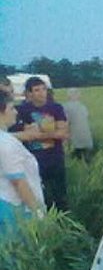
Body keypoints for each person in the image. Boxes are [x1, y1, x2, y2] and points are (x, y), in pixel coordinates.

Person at [11, 77, 69, 210]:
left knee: (60, 195)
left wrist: (36, 135)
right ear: (29, 93)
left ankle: (63, 218)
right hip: (33, 160)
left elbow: (62, 133)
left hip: (55, 158)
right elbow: (18, 135)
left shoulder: (56, 108)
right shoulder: (21, 110)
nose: (42, 93)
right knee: (39, 195)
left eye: (44, 89)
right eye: (37, 90)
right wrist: (50, 133)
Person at [0, 91, 47, 234]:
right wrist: (38, 213)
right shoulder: (7, 143)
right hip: (15, 210)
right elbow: (19, 182)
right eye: (11, 108)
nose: (15, 112)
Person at [62, 88, 94, 161]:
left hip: (74, 142)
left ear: (68, 96)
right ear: (79, 96)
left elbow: (65, 123)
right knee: (87, 161)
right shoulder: (83, 107)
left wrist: (64, 140)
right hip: (87, 140)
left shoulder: (65, 107)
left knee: (71, 160)